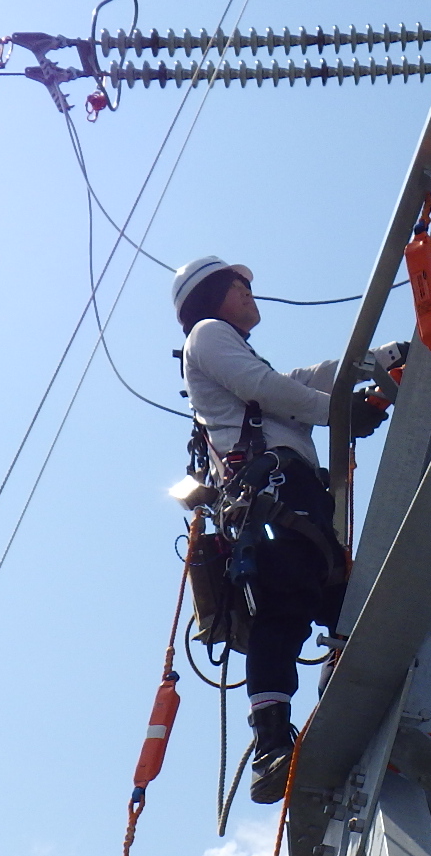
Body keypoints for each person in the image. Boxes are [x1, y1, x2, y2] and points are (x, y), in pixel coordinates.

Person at [172, 256, 404, 803]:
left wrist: (385, 359)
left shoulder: (233, 350)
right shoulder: (207, 336)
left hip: (295, 501)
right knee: (284, 609)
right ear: (212, 293)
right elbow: (266, 388)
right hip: (271, 502)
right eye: (241, 285)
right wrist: (340, 412)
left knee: (350, 606)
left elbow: (297, 381)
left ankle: (359, 709)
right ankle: (272, 743)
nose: (252, 292)